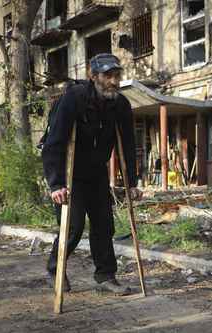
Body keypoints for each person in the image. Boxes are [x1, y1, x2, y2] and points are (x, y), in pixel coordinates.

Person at [42, 53, 142, 295]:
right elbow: (53, 143)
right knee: (73, 227)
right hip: (69, 174)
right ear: (93, 76)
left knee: (104, 225)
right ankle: (55, 269)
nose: (114, 81)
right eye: (108, 75)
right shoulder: (74, 99)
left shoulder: (120, 104)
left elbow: (128, 144)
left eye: (117, 75)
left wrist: (132, 182)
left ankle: (105, 275)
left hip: (96, 172)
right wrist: (56, 184)